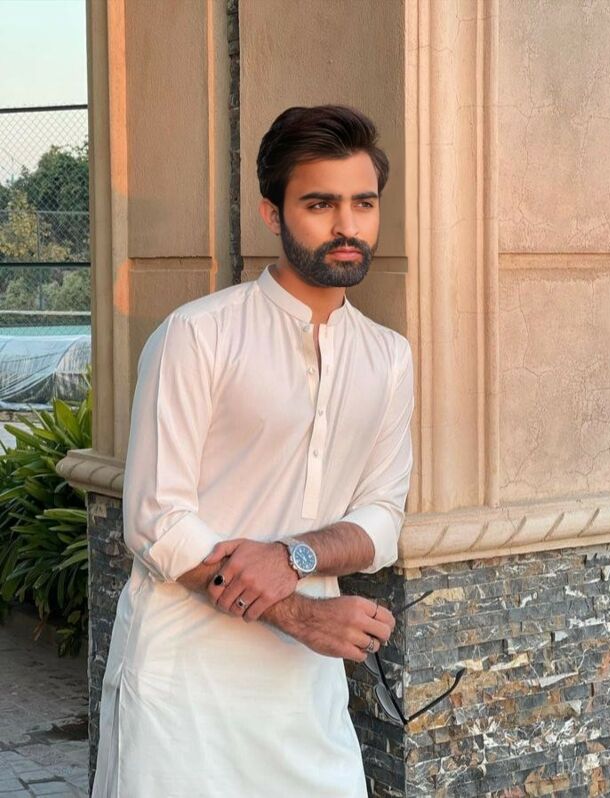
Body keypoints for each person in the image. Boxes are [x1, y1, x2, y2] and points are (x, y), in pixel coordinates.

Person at [91, 104, 414, 798]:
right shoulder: (198, 335)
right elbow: (158, 524)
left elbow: (382, 519)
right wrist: (299, 613)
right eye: (320, 204)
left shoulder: (388, 357)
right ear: (273, 214)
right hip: (184, 689)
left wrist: (294, 558)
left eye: (363, 203)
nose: (347, 226)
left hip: (305, 694)